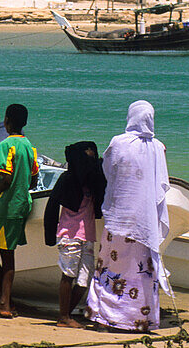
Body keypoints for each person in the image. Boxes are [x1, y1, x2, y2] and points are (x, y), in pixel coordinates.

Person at [85, 100, 170, 333]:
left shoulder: (118, 142)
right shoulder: (158, 147)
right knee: (140, 271)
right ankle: (138, 319)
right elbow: (162, 184)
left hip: (119, 218)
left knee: (111, 265)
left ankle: (105, 317)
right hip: (144, 224)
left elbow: (109, 171)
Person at [0, 103, 38, 318]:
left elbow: (6, 177)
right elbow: (34, 178)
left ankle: (4, 302)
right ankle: (6, 302)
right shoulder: (29, 146)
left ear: (6, 121)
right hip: (22, 204)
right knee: (7, 253)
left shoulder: (6, 145)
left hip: (7, 206)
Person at [44, 141, 106, 328]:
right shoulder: (68, 179)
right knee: (68, 276)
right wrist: (49, 236)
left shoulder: (95, 181)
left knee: (84, 280)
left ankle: (66, 314)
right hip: (69, 234)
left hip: (88, 236)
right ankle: (64, 317)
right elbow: (52, 206)